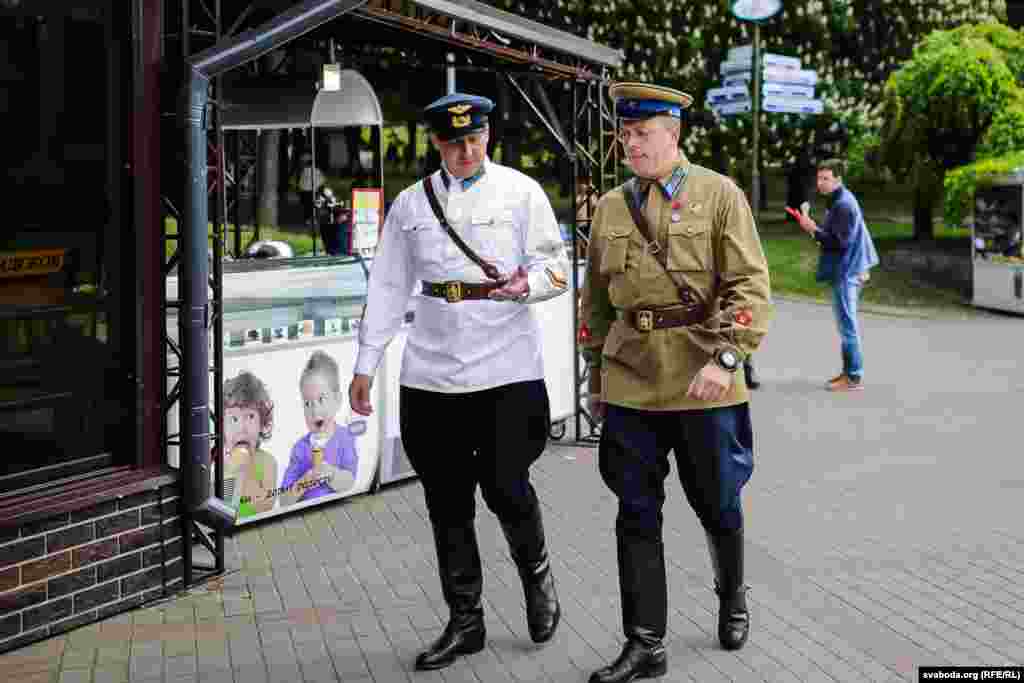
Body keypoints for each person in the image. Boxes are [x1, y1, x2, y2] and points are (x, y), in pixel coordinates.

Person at [348, 92, 569, 670]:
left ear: (488, 136)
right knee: (446, 502)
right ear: (437, 144)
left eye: (474, 139)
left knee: (505, 486)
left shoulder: (522, 193)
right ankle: (465, 620)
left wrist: (530, 285)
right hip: (432, 374)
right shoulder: (410, 205)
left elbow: (554, 267)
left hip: (506, 368)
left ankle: (538, 579)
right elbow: (390, 287)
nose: (466, 150)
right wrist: (366, 365)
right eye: (454, 142)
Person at [580, 82, 773, 683]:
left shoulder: (718, 195)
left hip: (703, 379)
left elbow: (750, 285)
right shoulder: (611, 206)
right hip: (632, 380)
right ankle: (645, 644)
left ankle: (732, 594)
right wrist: (594, 376)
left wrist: (727, 360)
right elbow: (597, 300)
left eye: (641, 134)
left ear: (673, 134)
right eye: (624, 134)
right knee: (635, 513)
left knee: (718, 501)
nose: (629, 144)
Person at [789, 159, 879, 391]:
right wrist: (814, 229)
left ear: (838, 179)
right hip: (851, 267)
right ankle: (848, 373)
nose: (820, 183)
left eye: (826, 178)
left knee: (847, 325)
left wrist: (813, 229)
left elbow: (840, 242)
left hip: (847, 270)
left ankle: (852, 377)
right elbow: (845, 233)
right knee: (846, 324)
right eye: (819, 178)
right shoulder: (838, 200)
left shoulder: (843, 204)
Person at [280, 350, 358, 506]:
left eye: (321, 399)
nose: (314, 410)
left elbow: (350, 482)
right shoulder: (300, 448)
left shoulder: (345, 438)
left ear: (337, 400)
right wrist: (306, 481)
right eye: (308, 403)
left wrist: (330, 473)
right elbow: (284, 499)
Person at [221, 372, 278, 518]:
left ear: (262, 423)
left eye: (250, 417)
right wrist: (231, 471)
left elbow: (267, 505)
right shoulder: (217, 464)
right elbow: (225, 509)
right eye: (234, 419)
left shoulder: (267, 462)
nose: (242, 427)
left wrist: (246, 471)